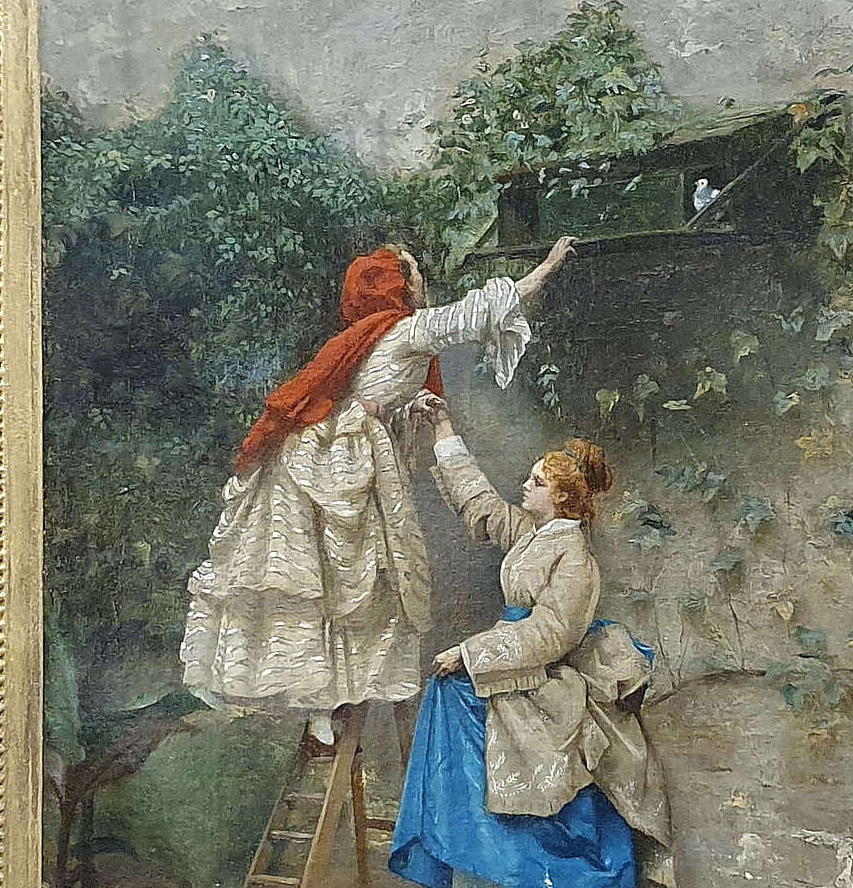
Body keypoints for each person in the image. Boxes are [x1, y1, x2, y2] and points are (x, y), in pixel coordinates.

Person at [179, 238, 576, 755]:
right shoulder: (408, 329)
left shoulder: (373, 336)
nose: (422, 280)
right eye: (414, 272)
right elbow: (480, 310)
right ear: (400, 285)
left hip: (333, 455)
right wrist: (547, 266)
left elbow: (378, 392)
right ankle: (324, 713)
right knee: (347, 585)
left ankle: (324, 715)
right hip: (339, 461)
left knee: (343, 587)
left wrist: (410, 411)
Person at [389, 408, 676, 888]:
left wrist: (470, 652)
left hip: (544, 686)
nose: (525, 485)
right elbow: (480, 505)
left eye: (537, 481)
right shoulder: (532, 535)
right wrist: (444, 432)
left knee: (536, 801)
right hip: (511, 670)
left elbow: (550, 635)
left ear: (563, 498)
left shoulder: (576, 560)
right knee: (466, 740)